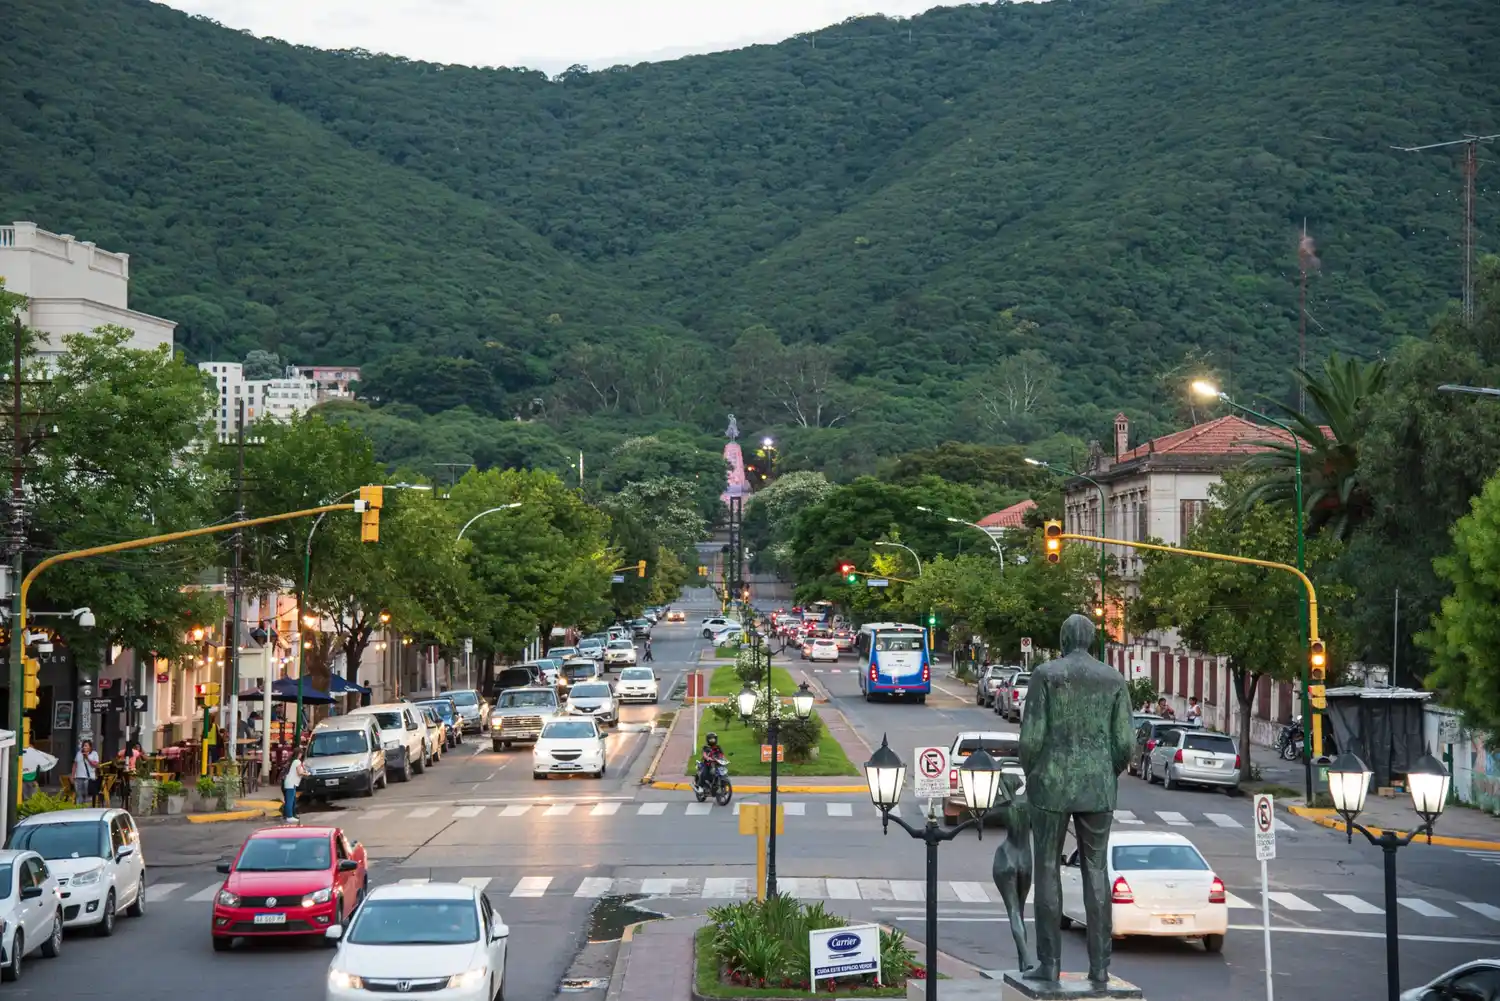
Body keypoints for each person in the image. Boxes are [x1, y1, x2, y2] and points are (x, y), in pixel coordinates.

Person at [1019, 613, 1134, 988]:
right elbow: (1124, 744)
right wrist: (1104, 772)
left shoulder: (1046, 675)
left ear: (1064, 639)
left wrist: (1032, 773)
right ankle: (1099, 969)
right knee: (1097, 873)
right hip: (1098, 786)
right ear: (1092, 639)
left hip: (1051, 782)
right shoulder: (1114, 679)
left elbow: (1031, 738)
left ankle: (1049, 964)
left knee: (1047, 869)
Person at [282, 752, 309, 822]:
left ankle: (289, 815)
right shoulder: (297, 761)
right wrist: (307, 774)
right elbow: (299, 772)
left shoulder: (293, 761)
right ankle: (289, 816)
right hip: (291, 783)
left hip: (290, 783)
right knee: (290, 801)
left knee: (291, 800)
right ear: (299, 754)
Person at [73, 739, 100, 806]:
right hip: (79, 777)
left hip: (89, 778)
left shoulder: (94, 754)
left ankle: (87, 810)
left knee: (88, 795)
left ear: (90, 747)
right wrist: (73, 775)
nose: (84, 747)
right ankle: (79, 809)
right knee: (79, 794)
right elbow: (75, 764)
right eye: (83, 746)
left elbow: (96, 765)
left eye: (86, 746)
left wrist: (87, 758)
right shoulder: (79, 753)